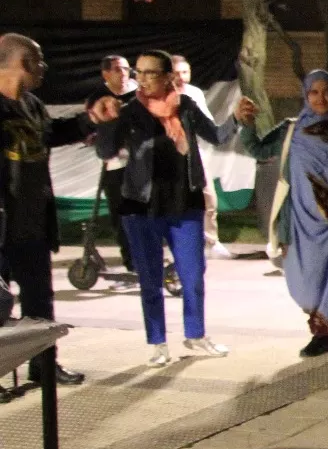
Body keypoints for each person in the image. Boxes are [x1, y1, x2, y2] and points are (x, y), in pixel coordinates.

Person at [95, 51, 238, 366]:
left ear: (167, 76)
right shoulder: (129, 110)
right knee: (150, 280)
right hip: (140, 205)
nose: (142, 79)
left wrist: (238, 118)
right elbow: (106, 151)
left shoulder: (185, 106)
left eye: (150, 73)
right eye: (139, 72)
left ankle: (196, 334)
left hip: (184, 203)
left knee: (193, 277)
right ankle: (158, 343)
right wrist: (106, 123)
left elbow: (216, 135)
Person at [237, 71, 328, 358]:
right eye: (314, 92)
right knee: (312, 280)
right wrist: (246, 124)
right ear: (305, 95)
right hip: (303, 222)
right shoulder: (291, 130)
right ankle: (321, 337)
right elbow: (258, 149)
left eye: (326, 91)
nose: (320, 98)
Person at [0, 34, 118, 388]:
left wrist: (91, 119)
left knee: (40, 302)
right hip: (3, 225)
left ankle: (44, 365)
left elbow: (52, 134)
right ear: (23, 63)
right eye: (39, 60)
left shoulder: (32, 105)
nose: (44, 67)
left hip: (34, 223)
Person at [170, 54, 232, 260]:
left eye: (185, 72)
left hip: (196, 153)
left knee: (208, 197)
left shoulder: (194, 94)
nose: (181, 77)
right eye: (176, 73)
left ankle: (211, 241)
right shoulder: (161, 96)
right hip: (170, 157)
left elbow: (208, 125)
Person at [85, 54, 137, 273]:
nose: (123, 73)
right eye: (117, 69)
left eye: (126, 68)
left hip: (142, 161)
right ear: (106, 74)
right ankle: (131, 261)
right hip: (115, 164)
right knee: (122, 213)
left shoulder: (138, 93)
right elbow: (90, 128)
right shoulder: (98, 97)